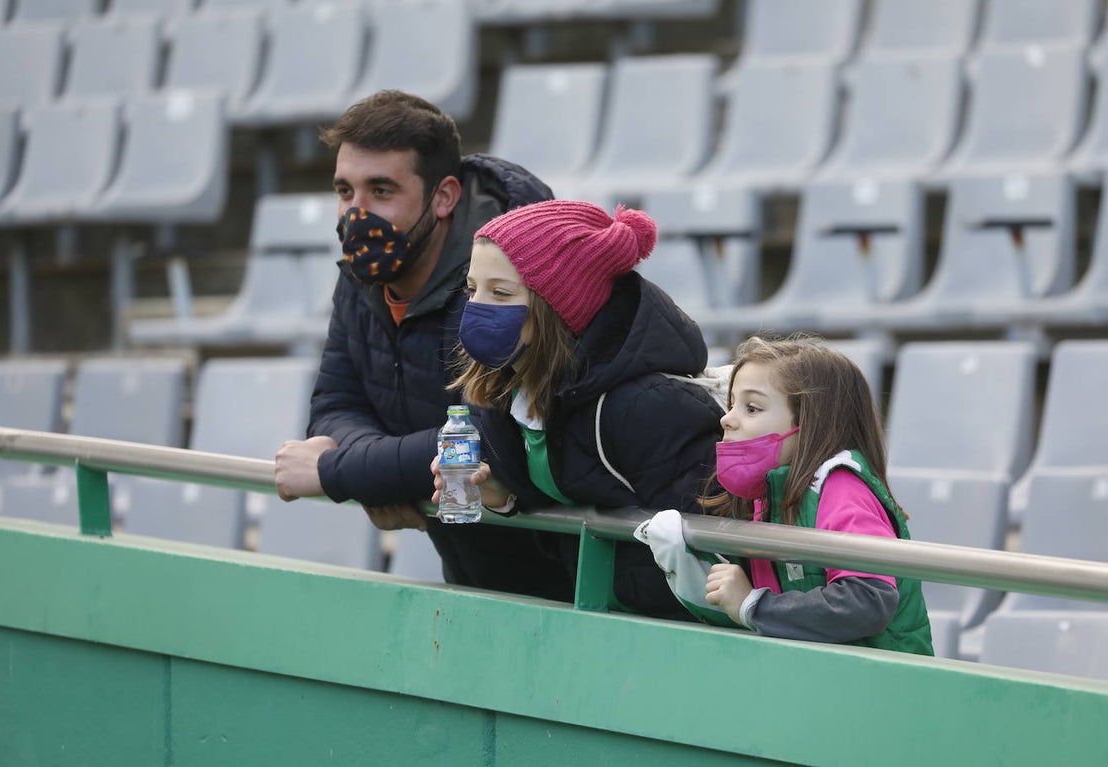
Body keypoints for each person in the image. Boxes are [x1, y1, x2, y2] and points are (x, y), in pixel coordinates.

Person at [273, 90, 574, 601]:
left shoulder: (503, 283)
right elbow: (335, 404)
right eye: (345, 191)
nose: (356, 214)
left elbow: (489, 437)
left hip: (575, 581)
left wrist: (337, 471)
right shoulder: (360, 278)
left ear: (444, 197)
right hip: (475, 577)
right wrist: (379, 476)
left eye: (382, 190)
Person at [433, 199, 726, 619]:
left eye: (500, 292)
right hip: (597, 617)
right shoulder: (508, 389)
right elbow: (571, 484)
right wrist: (501, 496)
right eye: (471, 288)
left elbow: (705, 544)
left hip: (666, 628)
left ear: (558, 305)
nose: (477, 306)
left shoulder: (646, 407)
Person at [661, 335, 932, 653]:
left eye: (751, 407)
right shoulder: (767, 493)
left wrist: (753, 606)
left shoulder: (841, 487)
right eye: (732, 404)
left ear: (811, 422)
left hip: (883, 687)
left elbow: (868, 599)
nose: (727, 418)